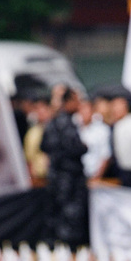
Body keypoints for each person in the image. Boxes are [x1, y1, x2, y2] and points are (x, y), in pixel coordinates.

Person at [40, 86, 89, 251]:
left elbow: (45, 145)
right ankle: (67, 250)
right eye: (77, 100)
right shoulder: (66, 123)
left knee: (54, 215)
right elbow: (74, 148)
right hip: (69, 179)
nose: (79, 104)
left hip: (55, 176)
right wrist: (83, 147)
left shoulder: (53, 122)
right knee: (70, 217)